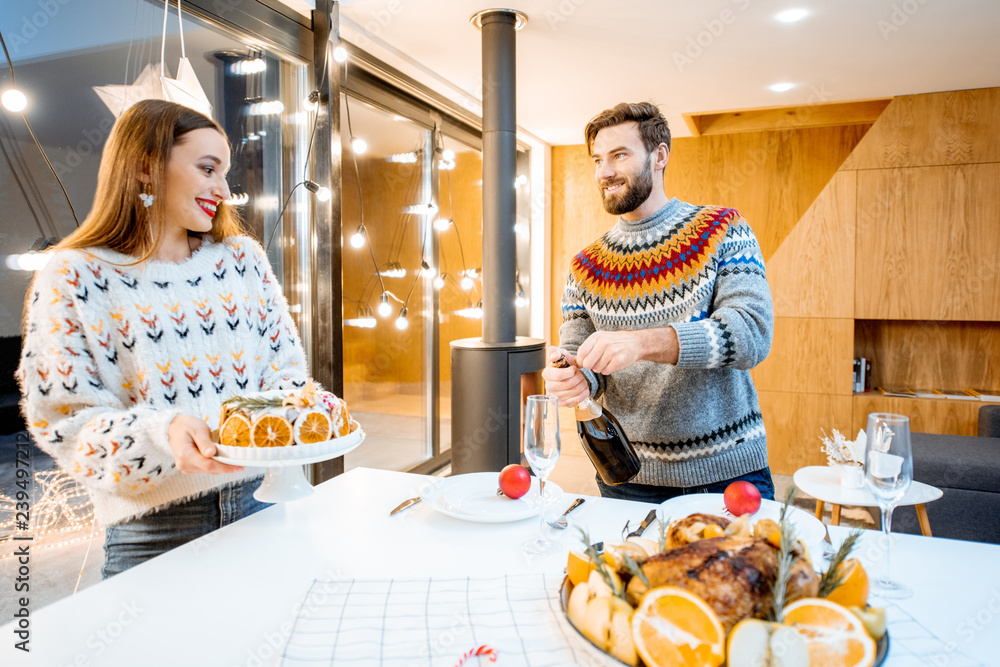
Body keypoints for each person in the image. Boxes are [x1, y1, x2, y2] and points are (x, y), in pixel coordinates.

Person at [17, 99, 311, 577]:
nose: (223, 188)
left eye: (225, 172)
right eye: (208, 168)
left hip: (262, 501)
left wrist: (297, 414)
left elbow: (286, 372)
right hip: (154, 530)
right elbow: (64, 423)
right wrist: (163, 431)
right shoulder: (75, 276)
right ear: (145, 168)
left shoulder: (242, 260)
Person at [542, 101, 775, 504]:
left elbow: (751, 333)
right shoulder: (584, 266)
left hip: (726, 474)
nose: (604, 172)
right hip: (625, 473)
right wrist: (573, 377)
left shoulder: (723, 229)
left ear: (660, 155)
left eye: (619, 155)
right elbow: (585, 363)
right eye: (598, 159)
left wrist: (641, 342)